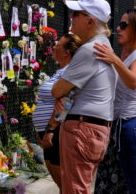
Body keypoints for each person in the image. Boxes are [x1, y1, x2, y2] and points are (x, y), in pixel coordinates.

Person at [51, 0, 118, 194]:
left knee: (74, 189)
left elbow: (58, 89)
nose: (71, 17)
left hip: (82, 128)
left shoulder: (90, 49)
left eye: (76, 14)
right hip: (93, 127)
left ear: (90, 21)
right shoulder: (104, 46)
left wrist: (61, 95)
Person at [94, 9, 136, 194]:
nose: (118, 29)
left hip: (130, 124)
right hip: (123, 125)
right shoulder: (133, 54)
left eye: (123, 25)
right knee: (123, 183)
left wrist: (115, 61)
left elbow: (134, 81)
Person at [33, 33, 83, 190]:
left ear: (66, 52)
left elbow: (67, 101)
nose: (53, 47)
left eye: (57, 45)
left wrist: (50, 129)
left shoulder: (69, 72)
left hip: (57, 132)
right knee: (62, 183)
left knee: (66, 184)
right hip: (49, 132)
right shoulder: (61, 71)